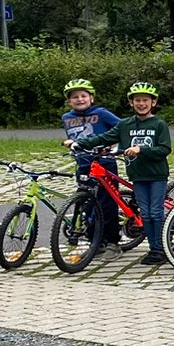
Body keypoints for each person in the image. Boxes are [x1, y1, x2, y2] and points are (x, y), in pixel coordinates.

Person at [84, 81, 172, 264]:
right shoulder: (125, 125)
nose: (141, 104)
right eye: (137, 100)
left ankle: (160, 249)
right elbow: (104, 138)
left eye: (145, 100)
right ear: (131, 103)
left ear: (153, 103)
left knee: (156, 212)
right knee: (145, 213)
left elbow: (164, 149)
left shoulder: (159, 124)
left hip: (156, 174)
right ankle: (152, 247)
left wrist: (141, 150)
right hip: (137, 175)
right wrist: (80, 143)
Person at [60, 78, 123, 246]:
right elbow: (75, 136)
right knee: (86, 202)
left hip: (104, 163)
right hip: (83, 164)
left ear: (91, 98)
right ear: (69, 101)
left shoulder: (101, 113)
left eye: (83, 96)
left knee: (106, 203)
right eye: (75, 97)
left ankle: (112, 241)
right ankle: (94, 238)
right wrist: (69, 142)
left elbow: (123, 128)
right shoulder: (67, 117)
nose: (79, 99)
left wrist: (117, 146)